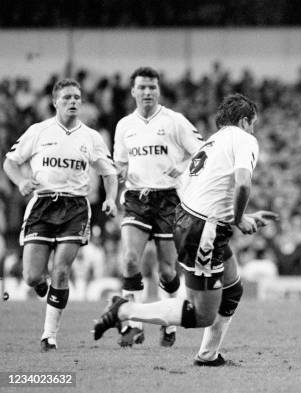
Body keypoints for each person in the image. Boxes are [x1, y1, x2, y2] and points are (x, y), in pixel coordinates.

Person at [94, 93, 277, 366]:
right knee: (201, 314)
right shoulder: (245, 139)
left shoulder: (213, 142)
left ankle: (208, 355)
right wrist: (238, 219)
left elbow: (209, 191)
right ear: (244, 120)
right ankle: (125, 310)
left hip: (192, 219)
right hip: (204, 230)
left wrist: (238, 216)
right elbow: (243, 184)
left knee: (233, 287)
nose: (254, 130)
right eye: (253, 124)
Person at [3, 78, 118, 351]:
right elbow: (10, 162)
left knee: (62, 270)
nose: (73, 102)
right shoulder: (38, 131)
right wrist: (20, 181)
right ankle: (42, 286)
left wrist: (111, 198)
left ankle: (49, 336)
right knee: (31, 276)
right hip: (42, 205)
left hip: (75, 208)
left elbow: (109, 172)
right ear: (55, 102)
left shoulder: (91, 137)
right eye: (67, 97)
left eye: (77, 97)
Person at [113, 66, 204, 347]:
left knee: (167, 271)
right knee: (130, 259)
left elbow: (202, 151)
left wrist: (182, 168)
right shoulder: (124, 126)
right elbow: (121, 162)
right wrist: (119, 172)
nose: (147, 92)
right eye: (142, 87)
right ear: (133, 91)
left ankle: (168, 324)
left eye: (152, 87)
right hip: (137, 198)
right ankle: (132, 325)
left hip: (168, 200)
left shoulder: (175, 121)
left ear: (158, 90)